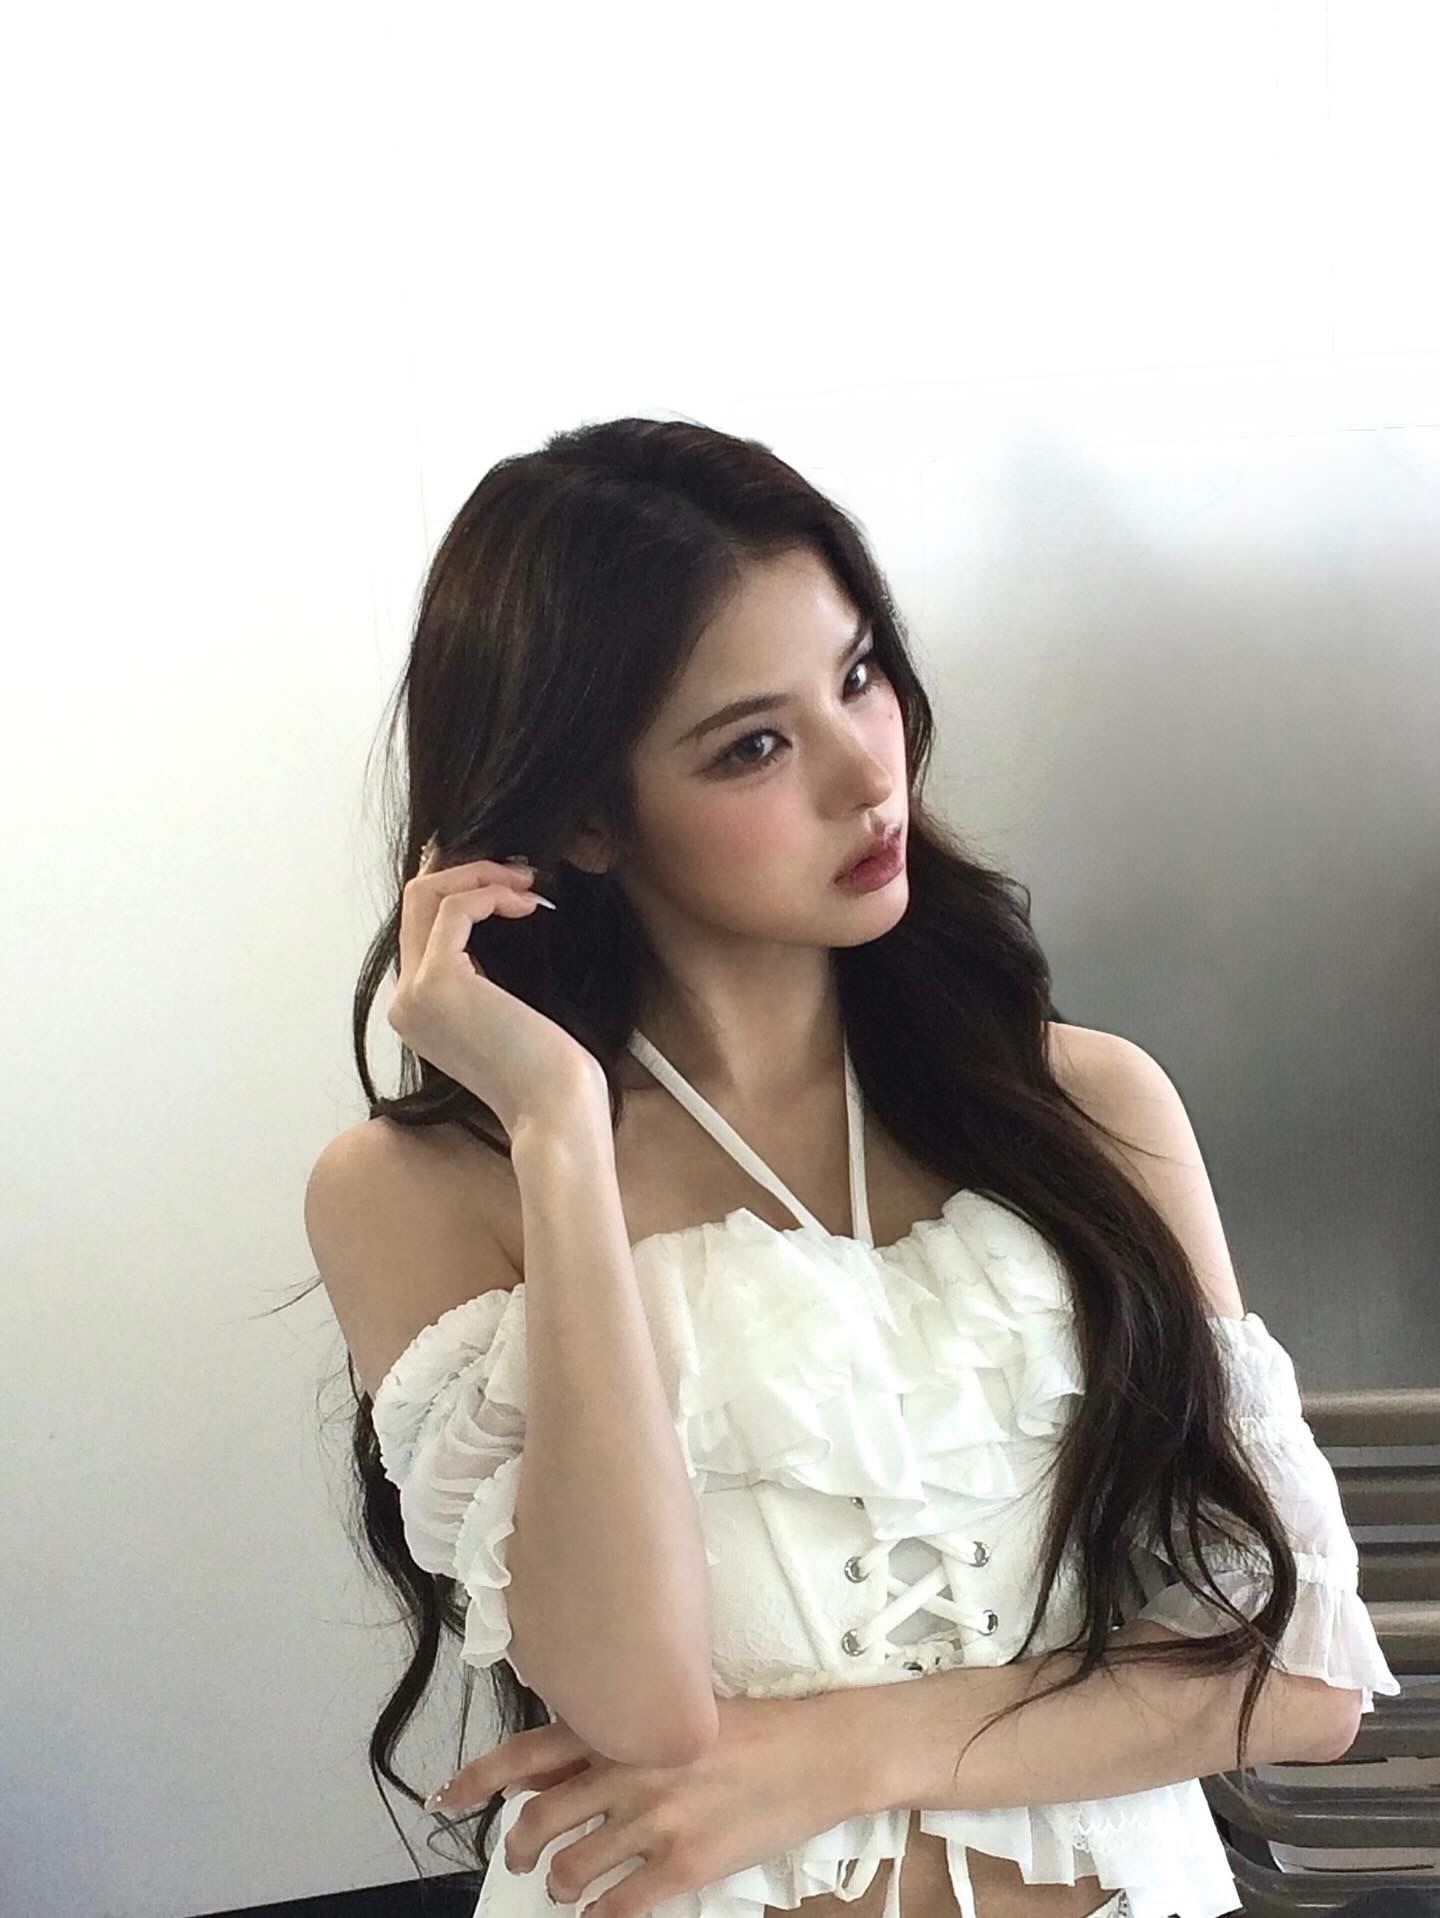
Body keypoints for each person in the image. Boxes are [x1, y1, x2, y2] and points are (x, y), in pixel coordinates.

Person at [298, 417, 1399, 1918]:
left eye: (861, 674)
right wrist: (559, 1131)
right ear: (585, 819)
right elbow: (638, 1703)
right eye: (754, 744)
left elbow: (1302, 1668)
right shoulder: (419, 1188)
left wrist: (833, 1753)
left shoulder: (1089, 1105)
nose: (866, 773)